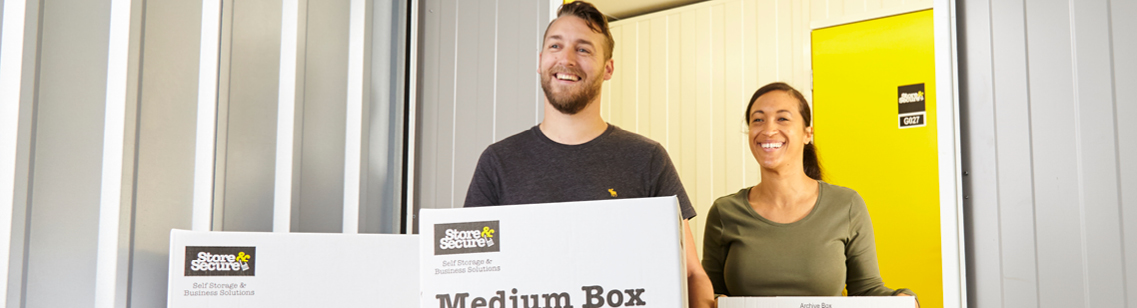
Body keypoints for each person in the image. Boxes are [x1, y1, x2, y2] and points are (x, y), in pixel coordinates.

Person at [463, 2, 715, 308]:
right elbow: (468, 274)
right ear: (541, 60)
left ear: (608, 68)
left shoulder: (647, 159)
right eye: (556, 46)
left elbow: (691, 274)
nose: (566, 59)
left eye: (583, 50)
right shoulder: (498, 162)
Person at [700, 82, 917, 305]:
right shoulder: (724, 212)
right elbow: (708, 293)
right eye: (758, 119)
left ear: (807, 133)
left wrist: (903, 299)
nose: (768, 129)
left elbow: (866, 290)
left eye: (782, 118)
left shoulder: (847, 205)